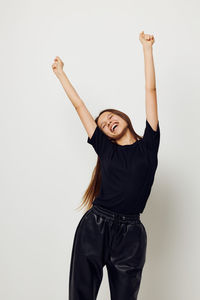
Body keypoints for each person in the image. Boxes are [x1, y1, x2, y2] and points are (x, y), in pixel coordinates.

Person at [51, 31, 160, 300]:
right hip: (95, 226)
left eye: (110, 116)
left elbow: (150, 90)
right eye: (102, 125)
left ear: (122, 117)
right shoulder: (106, 149)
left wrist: (147, 50)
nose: (107, 121)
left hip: (132, 235)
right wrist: (61, 73)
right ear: (104, 135)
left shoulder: (149, 144)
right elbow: (79, 106)